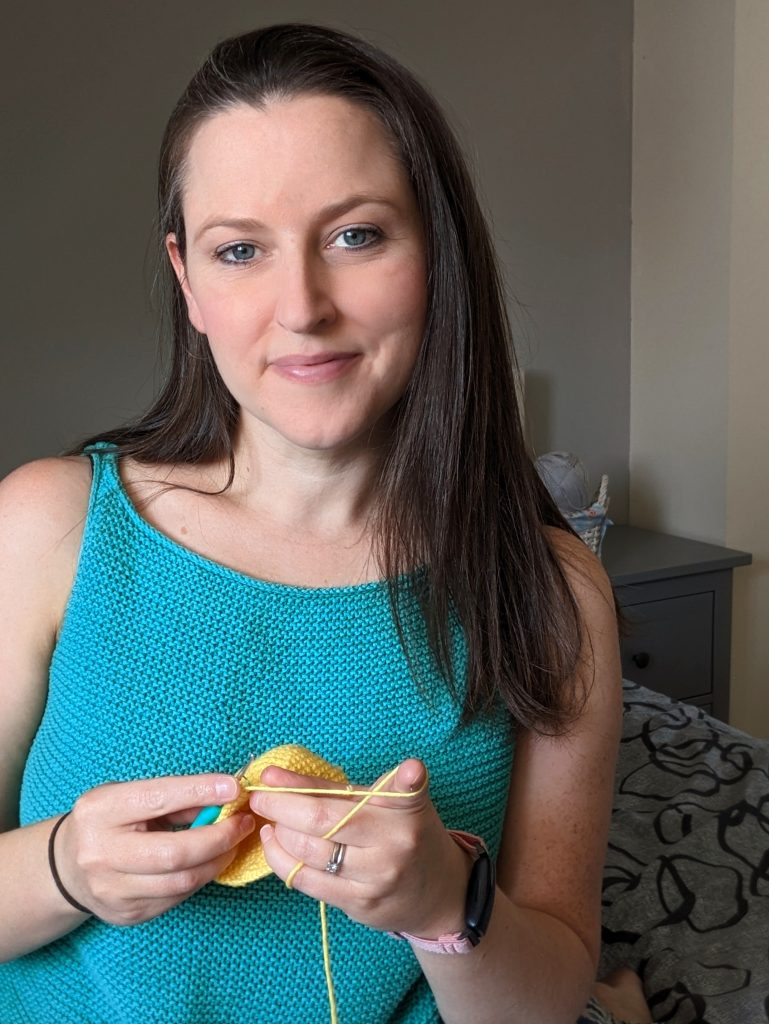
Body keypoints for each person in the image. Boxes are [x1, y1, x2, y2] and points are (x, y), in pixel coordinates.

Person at [0, 23, 652, 1024]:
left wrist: (447, 904)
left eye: (356, 235)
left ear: (434, 250)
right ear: (188, 281)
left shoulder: (552, 593)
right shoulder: (48, 524)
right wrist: (63, 868)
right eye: (239, 250)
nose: (300, 307)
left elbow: (537, 1003)